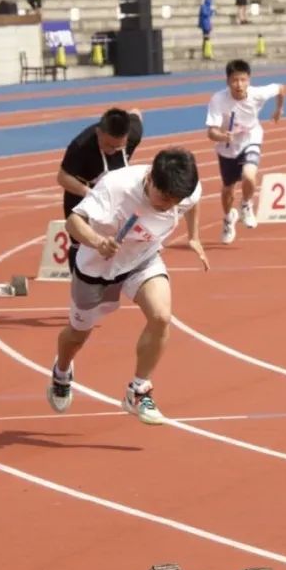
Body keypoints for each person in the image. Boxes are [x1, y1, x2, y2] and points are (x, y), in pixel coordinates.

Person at [47, 147, 208, 425]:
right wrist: (97, 241)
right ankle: (61, 373)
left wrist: (194, 236)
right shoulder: (117, 186)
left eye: (174, 201)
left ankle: (138, 390)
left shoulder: (185, 189)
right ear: (150, 179)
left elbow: (192, 203)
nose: (168, 206)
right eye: (163, 199)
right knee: (77, 335)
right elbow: (74, 222)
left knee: (160, 317)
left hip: (142, 260)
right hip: (97, 267)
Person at [205, 59, 285, 244]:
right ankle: (228, 219)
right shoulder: (218, 100)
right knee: (228, 189)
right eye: (234, 80)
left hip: (251, 138)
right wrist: (223, 136)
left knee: (249, 176)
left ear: (248, 80)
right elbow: (211, 132)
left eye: (243, 80)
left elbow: (281, 88)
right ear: (228, 81)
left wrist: (279, 109)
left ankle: (246, 205)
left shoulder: (257, 94)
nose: (239, 85)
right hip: (227, 147)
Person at [57, 107, 145, 270]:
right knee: (81, 241)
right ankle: (78, 281)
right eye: (108, 145)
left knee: (119, 239)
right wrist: (90, 194)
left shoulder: (133, 133)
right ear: (98, 132)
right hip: (83, 191)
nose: (112, 151)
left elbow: (136, 113)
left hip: (115, 190)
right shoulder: (80, 146)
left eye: (117, 147)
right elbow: (62, 177)